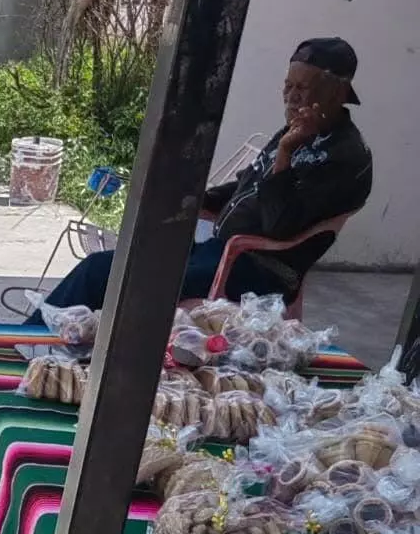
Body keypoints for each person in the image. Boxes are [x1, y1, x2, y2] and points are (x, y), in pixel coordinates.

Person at [29, 37, 372, 323]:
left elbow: (279, 223)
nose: (292, 97)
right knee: (103, 265)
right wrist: (186, 199)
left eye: (304, 89)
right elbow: (244, 188)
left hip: (257, 271)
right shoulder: (298, 131)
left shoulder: (346, 158)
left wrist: (284, 154)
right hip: (217, 252)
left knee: (119, 279)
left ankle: (40, 348)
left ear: (336, 94)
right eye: (288, 86)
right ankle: (32, 340)